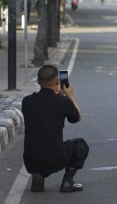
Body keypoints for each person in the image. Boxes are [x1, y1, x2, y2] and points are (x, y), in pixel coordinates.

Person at [22, 65, 89, 193]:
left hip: (31, 161)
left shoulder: (27, 101)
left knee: (39, 145)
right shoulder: (63, 102)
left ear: (38, 82)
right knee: (81, 145)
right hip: (55, 159)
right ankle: (68, 182)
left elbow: (44, 109)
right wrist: (69, 96)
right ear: (58, 82)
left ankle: (38, 175)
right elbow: (77, 118)